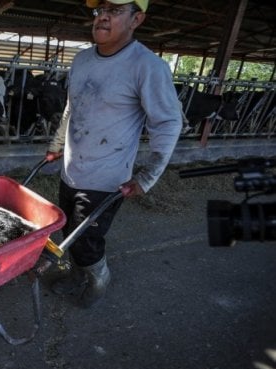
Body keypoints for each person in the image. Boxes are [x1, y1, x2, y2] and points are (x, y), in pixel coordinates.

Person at [45, 0, 183, 307]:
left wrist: (146, 176)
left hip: (106, 179)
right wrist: (56, 145)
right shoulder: (82, 60)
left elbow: (168, 121)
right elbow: (72, 107)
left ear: (137, 19)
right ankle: (77, 275)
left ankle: (98, 279)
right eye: (99, 10)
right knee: (68, 228)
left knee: (87, 241)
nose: (102, 17)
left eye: (115, 10)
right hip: (71, 170)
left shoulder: (147, 67)